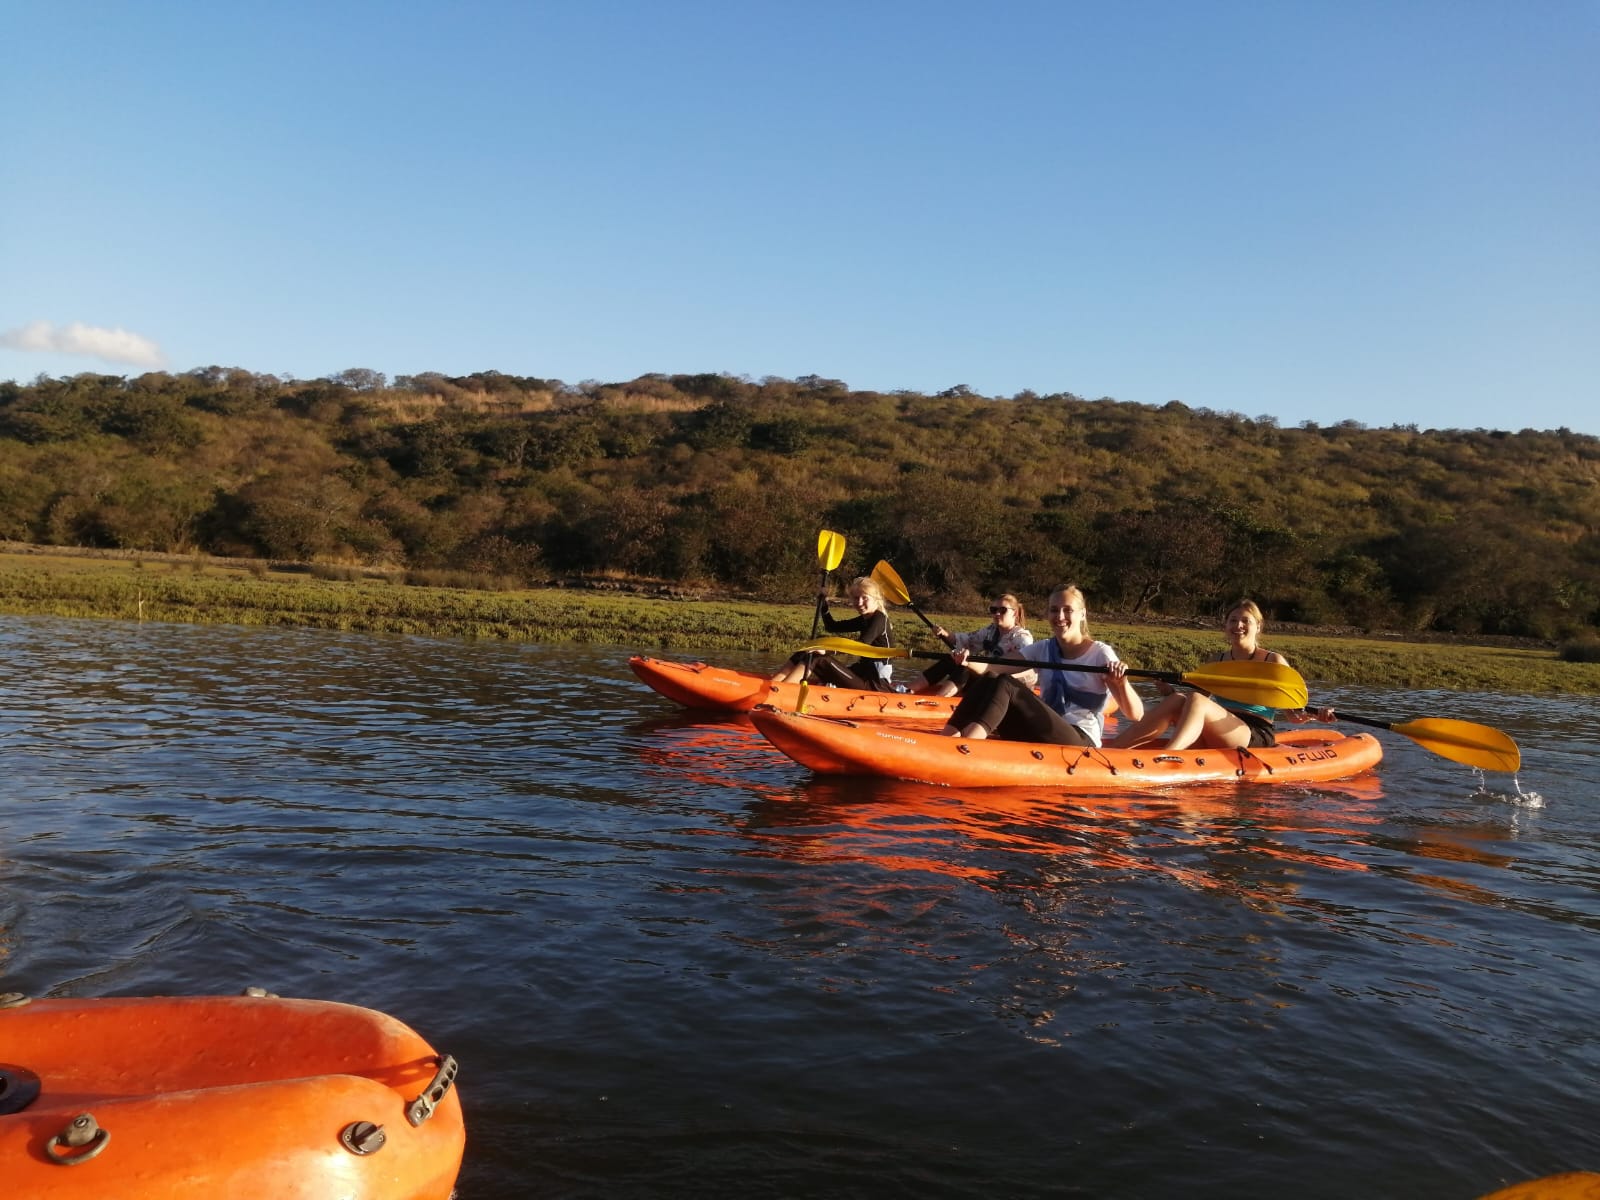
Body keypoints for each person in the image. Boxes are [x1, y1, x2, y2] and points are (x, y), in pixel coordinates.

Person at [1107, 599, 1332, 750]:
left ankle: (1169, 754)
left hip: (1253, 732)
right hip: (1220, 726)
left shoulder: (1273, 661)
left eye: (1246, 621)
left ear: (1258, 627)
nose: (1238, 626)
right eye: (1233, 620)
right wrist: (1168, 692)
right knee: (1179, 699)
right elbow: (1190, 707)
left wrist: (1315, 714)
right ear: (1225, 626)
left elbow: (1294, 714)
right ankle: (1114, 749)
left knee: (1195, 699)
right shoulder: (1219, 661)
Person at [938, 584, 1142, 745]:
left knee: (1006, 684)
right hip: (1044, 728)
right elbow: (994, 667)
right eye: (1054, 610)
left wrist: (1121, 683)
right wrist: (968, 660)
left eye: (1067, 610)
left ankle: (968, 746)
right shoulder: (1043, 648)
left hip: (1081, 739)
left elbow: (1136, 714)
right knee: (991, 680)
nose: (1060, 617)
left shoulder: (1100, 653)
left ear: (1082, 614)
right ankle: (948, 737)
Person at [770, 576, 896, 692]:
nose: (859, 603)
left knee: (817, 659)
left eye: (865, 598)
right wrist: (823, 603)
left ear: (876, 599)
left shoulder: (879, 619)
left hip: (875, 684)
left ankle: (781, 692)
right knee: (807, 651)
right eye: (856, 598)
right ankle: (773, 684)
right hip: (861, 674)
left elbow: (861, 645)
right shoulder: (865, 619)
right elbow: (832, 626)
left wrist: (828, 651)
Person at [912, 593, 1037, 695]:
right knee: (950, 659)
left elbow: (1027, 670)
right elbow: (968, 640)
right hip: (986, 678)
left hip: (1002, 686)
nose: (997, 614)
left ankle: (938, 701)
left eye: (1002, 610)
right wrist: (944, 634)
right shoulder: (990, 630)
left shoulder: (1022, 638)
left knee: (966, 668)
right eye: (994, 610)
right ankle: (909, 689)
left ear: (1014, 613)